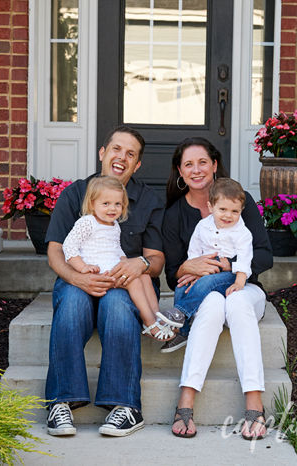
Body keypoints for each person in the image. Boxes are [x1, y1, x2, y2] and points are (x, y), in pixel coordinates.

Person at [43, 126, 165, 438]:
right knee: (70, 304)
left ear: (137, 165)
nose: (121, 157)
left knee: (118, 306)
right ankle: (61, 401)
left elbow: (156, 259)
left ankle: (125, 406)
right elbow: (56, 249)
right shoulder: (75, 194)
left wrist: (138, 264)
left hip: (126, 283)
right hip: (81, 277)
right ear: (102, 153)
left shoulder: (149, 199)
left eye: (130, 153)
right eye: (116, 149)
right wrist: (76, 277)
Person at [162, 137, 273, 440]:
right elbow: (174, 275)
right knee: (211, 304)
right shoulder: (173, 216)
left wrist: (228, 266)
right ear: (180, 172)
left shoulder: (239, 199)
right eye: (188, 164)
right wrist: (189, 266)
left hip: (244, 287)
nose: (196, 170)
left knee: (236, 304)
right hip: (203, 294)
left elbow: (264, 255)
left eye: (202, 162)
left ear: (214, 165)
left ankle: (255, 403)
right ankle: (186, 400)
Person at [62, 176, 173, 341]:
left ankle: (157, 317)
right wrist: (82, 268)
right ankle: (149, 324)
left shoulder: (114, 225)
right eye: (105, 203)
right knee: (134, 281)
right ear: (93, 204)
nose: (112, 208)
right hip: (101, 273)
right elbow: (68, 246)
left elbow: (116, 248)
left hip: (112, 265)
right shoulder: (87, 222)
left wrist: (124, 260)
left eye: (117, 204)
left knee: (145, 277)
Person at [156, 178, 253, 337]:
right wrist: (194, 271)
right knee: (182, 284)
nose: (228, 215)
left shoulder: (242, 233)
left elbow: (244, 260)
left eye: (235, 211)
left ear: (241, 210)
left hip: (229, 275)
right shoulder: (202, 226)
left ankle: (180, 312)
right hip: (203, 269)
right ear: (211, 207)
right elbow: (194, 250)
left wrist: (239, 283)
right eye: (222, 209)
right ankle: (182, 333)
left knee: (206, 282)